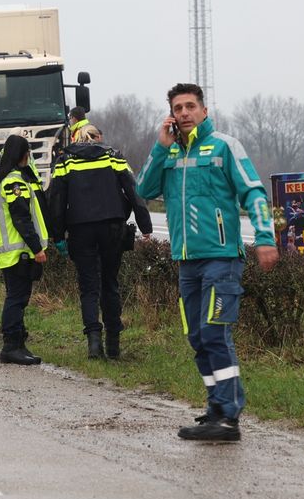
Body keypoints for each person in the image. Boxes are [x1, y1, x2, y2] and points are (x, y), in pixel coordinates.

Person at [136, 82, 277, 442]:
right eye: (178, 108)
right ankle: (217, 407)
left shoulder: (224, 146)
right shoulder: (168, 153)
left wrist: (264, 239)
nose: (184, 113)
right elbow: (143, 190)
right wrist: (159, 147)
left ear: (204, 111)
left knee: (215, 333)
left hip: (221, 258)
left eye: (190, 106)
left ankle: (229, 417)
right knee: (198, 337)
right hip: (186, 261)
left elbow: (254, 192)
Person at [48, 124, 153, 359]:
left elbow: (56, 200)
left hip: (80, 229)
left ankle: (94, 344)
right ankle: (114, 345)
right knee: (110, 284)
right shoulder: (113, 156)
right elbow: (133, 190)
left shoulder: (65, 161)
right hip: (112, 228)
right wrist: (145, 225)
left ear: (76, 138)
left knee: (88, 287)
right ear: (97, 138)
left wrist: (58, 236)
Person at [0, 133, 49, 365]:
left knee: (17, 296)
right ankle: (11, 346)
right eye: (28, 153)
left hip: (6, 250)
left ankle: (18, 344)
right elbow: (21, 218)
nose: (28, 157)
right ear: (22, 155)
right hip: (17, 250)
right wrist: (37, 248)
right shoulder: (14, 182)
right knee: (17, 298)